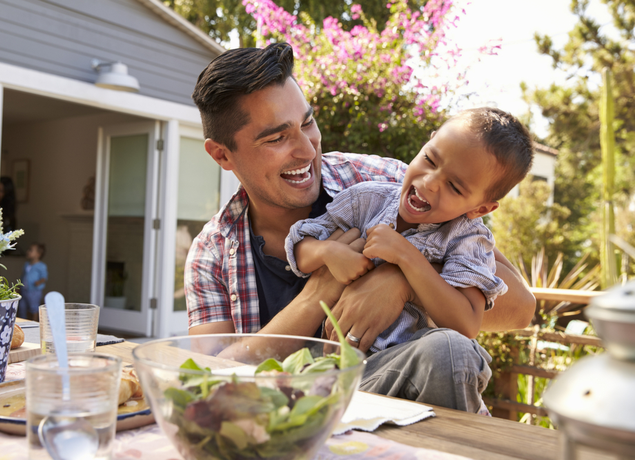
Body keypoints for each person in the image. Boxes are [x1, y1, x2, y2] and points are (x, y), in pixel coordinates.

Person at [185, 43, 535, 413]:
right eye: (277, 138)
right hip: (283, 426)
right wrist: (316, 296)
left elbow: (520, 308)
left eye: (307, 123)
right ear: (222, 154)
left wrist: (402, 281)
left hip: (391, 404)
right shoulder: (212, 253)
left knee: (448, 352)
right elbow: (212, 380)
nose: (307, 150)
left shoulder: (387, 184)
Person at [285, 108, 533, 353]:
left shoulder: (468, 240)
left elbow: (466, 325)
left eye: (455, 187)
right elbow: (300, 246)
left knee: (461, 354)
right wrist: (327, 251)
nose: (429, 182)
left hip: (407, 364)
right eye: (430, 160)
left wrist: (406, 257)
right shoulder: (366, 199)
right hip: (337, 358)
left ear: (480, 209)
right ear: (429, 141)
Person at [18, 243, 48, 321]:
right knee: (22, 306)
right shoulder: (26, 264)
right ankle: (22, 322)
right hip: (24, 290)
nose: (28, 252)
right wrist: (19, 286)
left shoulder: (41, 266)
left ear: (38, 254)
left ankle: (34, 322)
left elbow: (44, 277)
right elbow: (23, 276)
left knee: (34, 307)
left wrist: (39, 282)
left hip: (34, 291)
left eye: (30, 250)